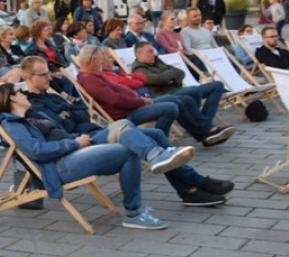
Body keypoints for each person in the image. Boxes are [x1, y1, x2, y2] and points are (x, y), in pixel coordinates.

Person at [20, 57, 233, 207]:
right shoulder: (30, 106)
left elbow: (81, 114)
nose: (50, 77)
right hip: (81, 144)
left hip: (94, 133)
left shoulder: (54, 96)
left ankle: (189, 190)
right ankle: (195, 182)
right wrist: (71, 116)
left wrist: (70, 112)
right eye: (44, 74)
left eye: (49, 73)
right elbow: (61, 130)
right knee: (123, 125)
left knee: (157, 135)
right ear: (28, 77)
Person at [0, 84, 167, 230]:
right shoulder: (12, 124)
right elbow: (36, 150)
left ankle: (157, 155)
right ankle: (134, 214)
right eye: (20, 91)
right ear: (12, 98)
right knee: (127, 151)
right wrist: (74, 143)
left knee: (122, 124)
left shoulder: (29, 118)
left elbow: (60, 134)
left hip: (73, 149)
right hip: (60, 165)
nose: (25, 93)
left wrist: (77, 139)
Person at [130, 42, 234, 147]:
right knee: (191, 94)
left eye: (153, 51)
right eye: (150, 51)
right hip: (165, 94)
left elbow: (180, 72)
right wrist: (169, 75)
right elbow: (160, 79)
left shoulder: (157, 61)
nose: (154, 53)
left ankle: (205, 125)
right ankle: (206, 129)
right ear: (140, 55)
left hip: (176, 89)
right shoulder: (139, 70)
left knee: (217, 86)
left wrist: (170, 78)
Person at [75, 46, 182, 135]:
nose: (102, 62)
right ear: (93, 61)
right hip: (125, 115)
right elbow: (116, 100)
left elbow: (118, 90)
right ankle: (158, 139)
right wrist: (140, 101)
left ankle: (159, 137)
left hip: (131, 107)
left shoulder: (93, 76)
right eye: (101, 59)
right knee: (170, 108)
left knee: (173, 99)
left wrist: (138, 99)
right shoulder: (90, 80)